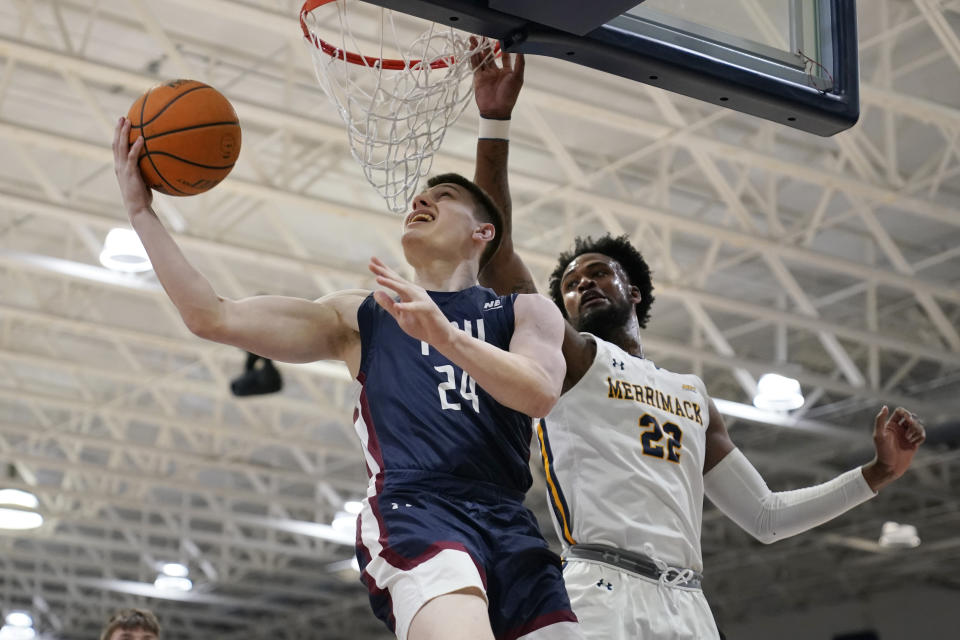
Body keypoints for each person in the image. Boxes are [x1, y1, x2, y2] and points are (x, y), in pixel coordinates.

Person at [470, 45, 927, 640]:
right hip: (600, 589)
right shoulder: (573, 361)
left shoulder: (693, 395)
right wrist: (494, 122)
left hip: (688, 606)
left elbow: (764, 517)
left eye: (597, 273)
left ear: (634, 292)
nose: (582, 285)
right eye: (570, 286)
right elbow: (493, 252)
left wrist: (875, 474)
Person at [112, 117, 582, 640]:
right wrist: (141, 213)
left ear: (483, 231)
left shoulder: (527, 312)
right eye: (418, 198)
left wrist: (446, 335)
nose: (420, 202)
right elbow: (212, 316)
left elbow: (538, 393)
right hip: (418, 507)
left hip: (509, 518)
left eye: (442, 196)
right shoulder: (360, 317)